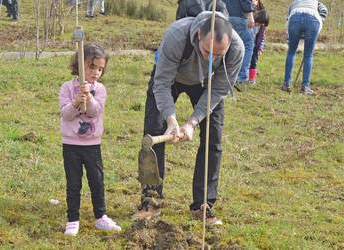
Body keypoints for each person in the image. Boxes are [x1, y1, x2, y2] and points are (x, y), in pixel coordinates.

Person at [133, 11, 244, 225]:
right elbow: (162, 83)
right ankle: (151, 200)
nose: (212, 58)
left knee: (214, 138)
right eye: (206, 51)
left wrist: (192, 122)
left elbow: (218, 89)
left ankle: (203, 205)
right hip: (171, 77)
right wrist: (172, 121)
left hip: (207, 84)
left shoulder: (236, 49)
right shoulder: (177, 36)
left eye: (218, 54)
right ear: (198, 38)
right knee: (153, 134)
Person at [59, 43, 121, 236]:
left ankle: (100, 217)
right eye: (92, 67)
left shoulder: (100, 90)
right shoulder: (67, 88)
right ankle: (73, 219)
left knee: (97, 181)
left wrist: (89, 97)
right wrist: (76, 101)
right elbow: (66, 115)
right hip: (71, 145)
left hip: (92, 144)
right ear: (79, 66)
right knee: (73, 183)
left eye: (100, 69)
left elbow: (95, 112)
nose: (96, 72)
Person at [281, 0, 328, 95]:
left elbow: (288, 19)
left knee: (291, 52)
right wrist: (318, 23)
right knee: (308, 55)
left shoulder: (294, 2)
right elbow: (324, 10)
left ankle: (286, 84)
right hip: (313, 19)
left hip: (295, 17)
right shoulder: (316, 2)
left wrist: (290, 40)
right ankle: (305, 87)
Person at [223, 0, 255, 84]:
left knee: (226, 47)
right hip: (240, 18)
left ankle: (225, 75)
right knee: (248, 46)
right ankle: (241, 76)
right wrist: (250, 15)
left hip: (224, 17)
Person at [248, 1, 269, 84]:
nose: (258, 25)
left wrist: (260, 48)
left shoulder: (262, 25)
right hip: (248, 43)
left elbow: (261, 37)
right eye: (258, 23)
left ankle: (252, 78)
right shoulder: (250, 20)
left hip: (255, 46)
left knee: (253, 62)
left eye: (261, 24)